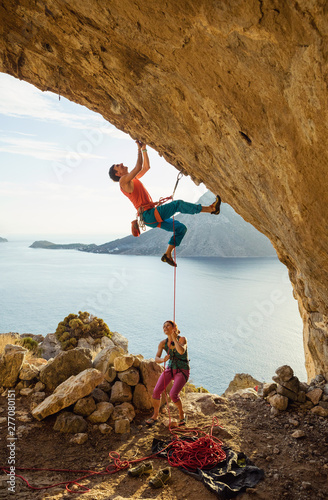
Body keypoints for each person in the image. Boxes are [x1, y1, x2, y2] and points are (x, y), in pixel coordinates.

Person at [109, 140, 221, 267]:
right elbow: (139, 167)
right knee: (177, 204)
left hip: (150, 216)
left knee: (180, 228)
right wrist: (138, 149)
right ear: (118, 174)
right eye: (118, 166)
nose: (122, 164)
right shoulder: (123, 181)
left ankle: (167, 254)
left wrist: (144, 149)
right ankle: (211, 209)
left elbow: (146, 168)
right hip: (149, 214)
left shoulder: (132, 179)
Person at [145, 320, 190, 426]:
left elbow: (181, 351)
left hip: (182, 370)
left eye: (168, 326)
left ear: (174, 328)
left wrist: (174, 337)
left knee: (173, 394)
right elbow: (156, 358)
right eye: (163, 326)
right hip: (170, 368)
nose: (165, 328)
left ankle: (182, 414)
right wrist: (163, 360)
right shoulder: (162, 343)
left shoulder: (182, 339)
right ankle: (155, 415)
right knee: (156, 391)